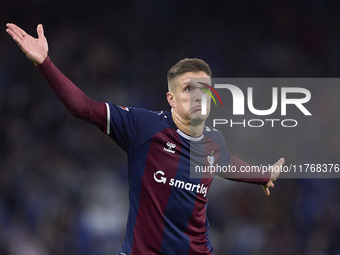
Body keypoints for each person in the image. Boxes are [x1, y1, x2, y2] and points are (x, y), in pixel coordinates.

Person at [6, 23, 284, 255]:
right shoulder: (144, 126)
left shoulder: (214, 140)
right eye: (189, 89)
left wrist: (262, 175)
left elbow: (225, 163)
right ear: (171, 99)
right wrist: (45, 63)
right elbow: (84, 108)